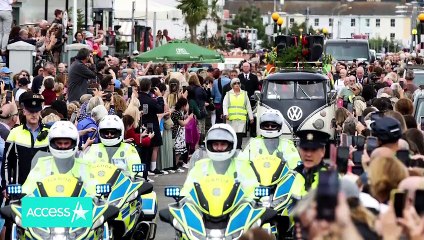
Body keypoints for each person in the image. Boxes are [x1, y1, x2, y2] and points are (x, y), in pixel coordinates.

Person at [181, 124, 258, 199]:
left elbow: (253, 193)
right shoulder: (200, 167)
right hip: (204, 209)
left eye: (223, 144)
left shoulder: (242, 167)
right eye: (215, 144)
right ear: (209, 145)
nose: (219, 148)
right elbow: (187, 193)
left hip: (236, 210)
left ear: (231, 145)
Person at [21, 121, 90, 194]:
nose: (62, 146)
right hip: (45, 204)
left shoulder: (84, 166)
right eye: (59, 143)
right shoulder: (42, 164)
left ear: (74, 142)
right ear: (52, 142)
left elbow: (94, 192)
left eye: (66, 143)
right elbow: (28, 189)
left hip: (78, 204)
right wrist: (23, 195)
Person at [1, 92, 49, 190]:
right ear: (24, 111)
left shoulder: (49, 133)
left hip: (43, 188)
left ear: (40, 112)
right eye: (30, 111)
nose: (34, 114)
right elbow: (7, 161)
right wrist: (5, 185)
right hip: (19, 187)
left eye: (36, 111)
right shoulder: (15, 132)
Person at [292, 130, 331, 197]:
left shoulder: (330, 178)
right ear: (299, 150)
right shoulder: (292, 175)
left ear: (323, 151)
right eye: (305, 149)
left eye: (313, 149)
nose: (308, 154)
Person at [223, 78, 253, 149]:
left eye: (238, 83)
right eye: (235, 83)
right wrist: (226, 114)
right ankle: (232, 148)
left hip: (241, 119)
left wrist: (251, 117)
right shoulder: (228, 94)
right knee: (232, 134)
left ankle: (238, 148)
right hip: (231, 119)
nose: (237, 85)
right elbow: (225, 105)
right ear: (232, 85)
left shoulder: (244, 94)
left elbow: (248, 106)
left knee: (239, 135)